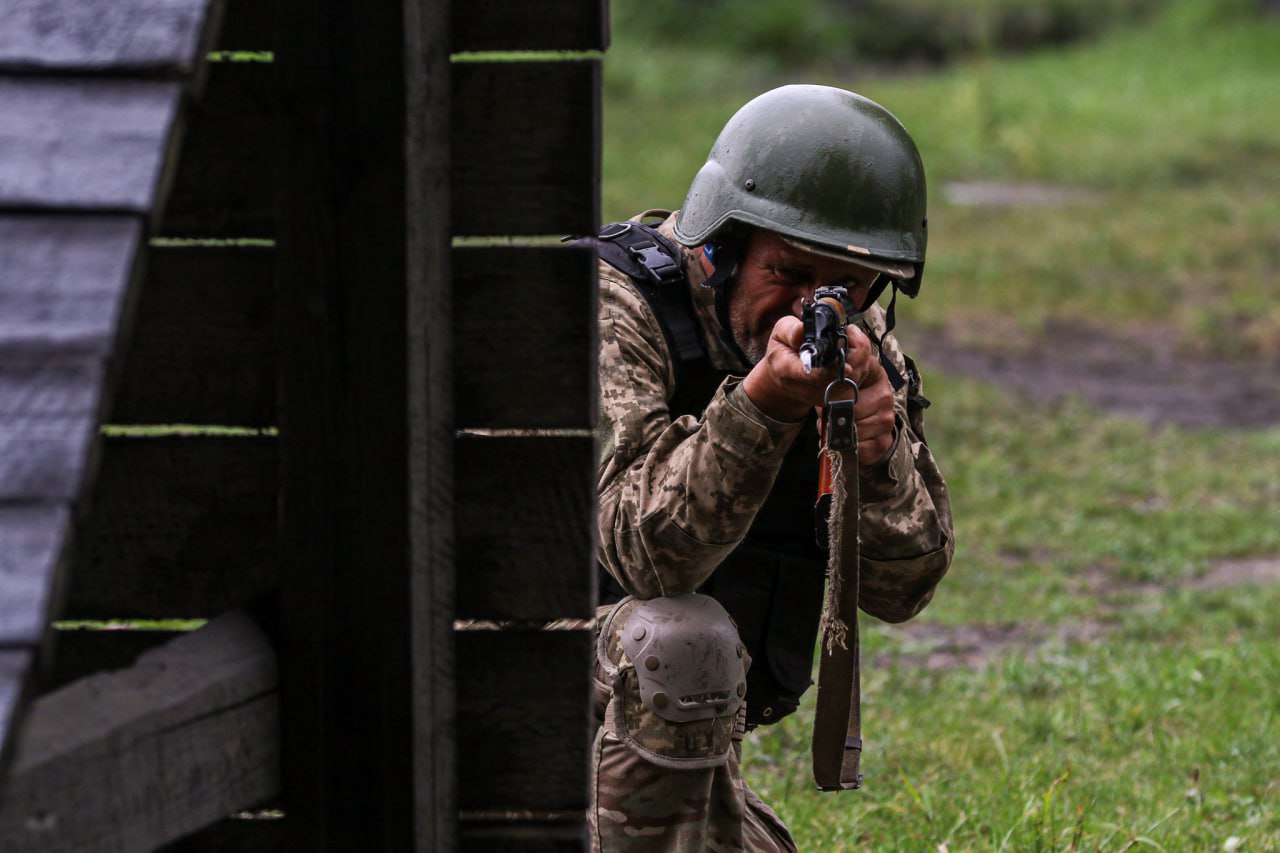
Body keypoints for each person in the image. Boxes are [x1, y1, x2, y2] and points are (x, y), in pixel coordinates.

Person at [587, 84, 954, 851]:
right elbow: (645, 556)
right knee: (681, 635)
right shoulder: (616, 307)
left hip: (655, 742)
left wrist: (879, 456)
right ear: (720, 246)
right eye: (785, 272)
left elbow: (903, 588)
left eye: (843, 286)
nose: (809, 304)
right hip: (519, 683)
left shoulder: (857, 340)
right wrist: (763, 409)